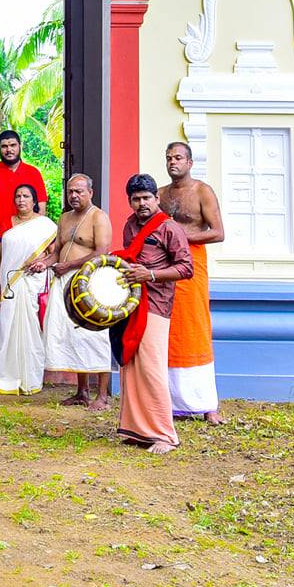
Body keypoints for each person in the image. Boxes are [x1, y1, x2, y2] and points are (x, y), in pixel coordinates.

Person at [112, 173, 194, 455]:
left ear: (157, 199)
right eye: (136, 199)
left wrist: (151, 274)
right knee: (131, 367)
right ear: (130, 202)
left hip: (156, 305)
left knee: (152, 368)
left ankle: (164, 434)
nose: (142, 203)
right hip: (131, 302)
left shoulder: (169, 228)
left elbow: (186, 268)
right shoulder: (130, 225)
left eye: (147, 198)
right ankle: (137, 429)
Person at [159, 141, 225, 423]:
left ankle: (207, 404)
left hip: (192, 265)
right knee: (167, 328)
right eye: (169, 158)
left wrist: (181, 239)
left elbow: (218, 232)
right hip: (164, 267)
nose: (173, 162)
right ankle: (169, 402)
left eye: (178, 158)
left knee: (195, 327)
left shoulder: (202, 191)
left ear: (190, 162)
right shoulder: (159, 194)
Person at [37, 173, 113, 409]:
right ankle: (81, 391)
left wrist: (68, 265)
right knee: (73, 335)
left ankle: (102, 396)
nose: (74, 196)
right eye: (71, 191)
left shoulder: (98, 217)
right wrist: (44, 263)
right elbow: (58, 251)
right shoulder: (64, 218)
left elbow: (102, 252)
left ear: (91, 192)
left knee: (94, 336)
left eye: (79, 191)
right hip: (65, 281)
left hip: (90, 282)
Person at [0, 130, 46, 349]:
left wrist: (28, 236)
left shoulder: (33, 172)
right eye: (4, 146)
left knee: (26, 293)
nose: (9, 149)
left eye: (12, 145)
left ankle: (23, 344)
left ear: (20, 145)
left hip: (27, 245)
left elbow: (41, 208)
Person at [0, 183, 56, 395]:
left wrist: (42, 262)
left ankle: (28, 377)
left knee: (29, 327)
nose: (21, 200)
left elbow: (55, 252)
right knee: (5, 323)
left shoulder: (45, 225)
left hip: (30, 280)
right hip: (9, 282)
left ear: (34, 201)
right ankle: (3, 376)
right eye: (18, 196)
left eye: (26, 196)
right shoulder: (7, 223)